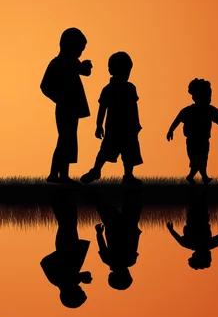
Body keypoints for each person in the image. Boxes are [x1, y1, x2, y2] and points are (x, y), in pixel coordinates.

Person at [81, 52, 143, 185]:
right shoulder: (109, 89)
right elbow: (102, 109)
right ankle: (96, 170)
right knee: (105, 151)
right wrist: (99, 125)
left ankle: (128, 176)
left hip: (128, 128)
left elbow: (133, 108)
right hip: (114, 128)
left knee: (129, 153)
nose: (128, 73)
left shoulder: (130, 88)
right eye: (126, 70)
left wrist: (136, 124)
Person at [40, 28, 92, 183]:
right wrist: (59, 98)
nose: (80, 54)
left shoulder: (71, 62)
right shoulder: (57, 64)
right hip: (64, 108)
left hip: (72, 108)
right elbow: (44, 86)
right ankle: (57, 175)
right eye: (78, 50)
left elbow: (84, 72)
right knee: (65, 139)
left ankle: (59, 175)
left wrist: (86, 66)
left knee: (67, 140)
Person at [166, 79, 218, 184]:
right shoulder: (188, 110)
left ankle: (202, 176)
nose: (208, 98)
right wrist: (170, 131)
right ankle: (194, 176)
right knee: (196, 159)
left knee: (203, 157)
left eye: (209, 96)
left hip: (204, 139)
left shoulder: (209, 110)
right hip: (192, 140)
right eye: (206, 96)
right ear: (195, 97)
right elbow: (177, 120)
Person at [41, 191, 92, 308]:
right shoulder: (67, 281)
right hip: (69, 245)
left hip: (65, 245)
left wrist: (62, 254)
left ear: (72, 294)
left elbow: (45, 262)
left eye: (80, 292)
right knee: (69, 220)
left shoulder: (61, 281)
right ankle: (61, 195)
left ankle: (58, 195)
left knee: (67, 221)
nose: (81, 289)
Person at [166, 191, 218, 269]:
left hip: (195, 218)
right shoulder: (200, 245)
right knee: (200, 201)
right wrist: (171, 230)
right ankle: (198, 183)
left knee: (199, 201)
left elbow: (179, 239)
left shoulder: (198, 244)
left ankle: (198, 183)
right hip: (200, 218)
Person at [94, 190, 143, 290]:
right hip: (113, 227)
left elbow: (134, 242)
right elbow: (102, 245)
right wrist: (99, 233)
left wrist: (136, 230)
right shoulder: (108, 260)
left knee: (130, 200)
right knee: (102, 203)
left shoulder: (130, 261)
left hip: (128, 226)